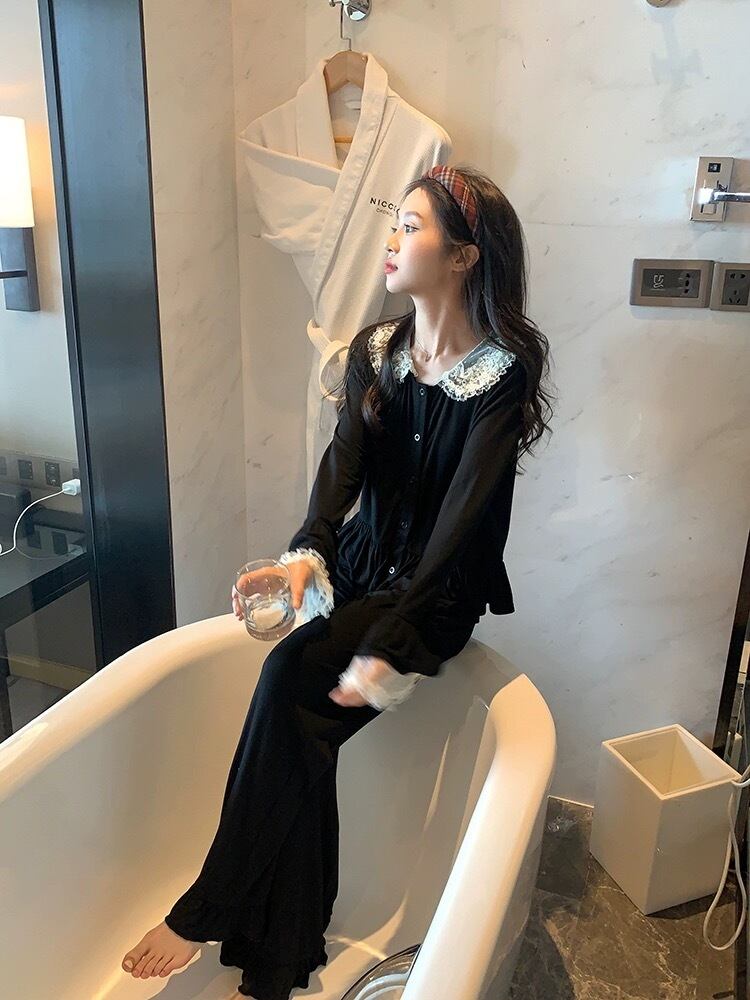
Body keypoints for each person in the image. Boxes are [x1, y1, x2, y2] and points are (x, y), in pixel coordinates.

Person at [120, 164, 555, 1000]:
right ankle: (277, 964)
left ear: (464, 256)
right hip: (358, 569)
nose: (393, 239)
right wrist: (303, 557)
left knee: (288, 677)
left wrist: (395, 640)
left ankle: (207, 907)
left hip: (433, 595)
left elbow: (465, 523)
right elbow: (340, 470)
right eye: (396, 223)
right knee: (301, 747)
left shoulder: (501, 375)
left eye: (413, 228)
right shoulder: (376, 352)